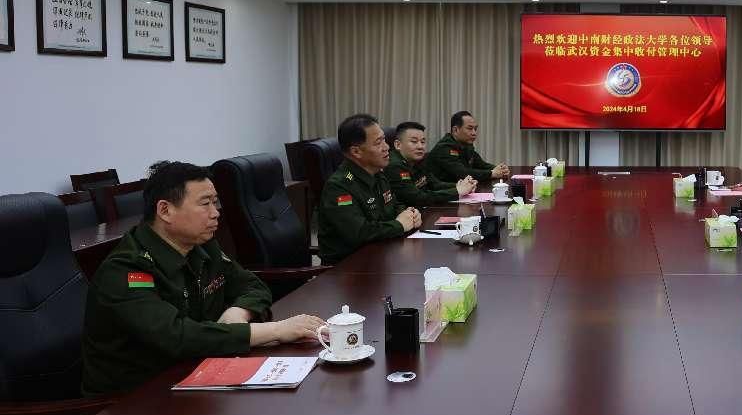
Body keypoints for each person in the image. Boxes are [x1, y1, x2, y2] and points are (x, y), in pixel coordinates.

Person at [81, 161, 324, 396]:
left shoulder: (201, 245)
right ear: (165, 210)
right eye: (205, 203)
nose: (216, 213)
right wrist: (276, 330)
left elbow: (253, 286)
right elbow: (177, 337)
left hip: (195, 371)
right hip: (134, 400)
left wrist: (238, 313)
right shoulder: (126, 270)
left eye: (215, 202)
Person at [317, 113, 420, 264]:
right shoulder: (339, 186)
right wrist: (399, 225)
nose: (387, 147)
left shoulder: (377, 174)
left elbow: (393, 205)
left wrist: (409, 214)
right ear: (356, 152)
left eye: (384, 140)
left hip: (380, 255)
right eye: (378, 143)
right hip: (347, 268)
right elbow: (359, 232)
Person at [384, 121, 476, 207]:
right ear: (398, 145)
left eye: (423, 142)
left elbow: (434, 184)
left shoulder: (420, 160)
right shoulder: (394, 166)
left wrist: (461, 185)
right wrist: (457, 191)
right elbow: (417, 198)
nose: (420, 146)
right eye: (414, 142)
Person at [425, 111, 510, 185]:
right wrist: (492, 173)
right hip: (440, 193)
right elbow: (462, 173)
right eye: (470, 128)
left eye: (475, 129)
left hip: (460, 190)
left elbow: (481, 164)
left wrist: (499, 169)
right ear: (455, 130)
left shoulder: (466, 145)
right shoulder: (444, 148)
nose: (474, 133)